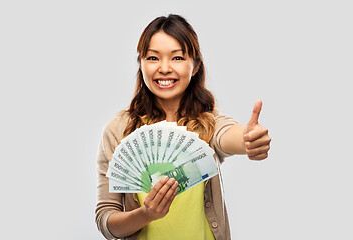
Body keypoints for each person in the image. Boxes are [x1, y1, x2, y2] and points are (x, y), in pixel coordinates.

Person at [95, 14, 271, 240]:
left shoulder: (207, 123)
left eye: (177, 58)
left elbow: (226, 136)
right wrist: (146, 214)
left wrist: (247, 140)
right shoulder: (118, 130)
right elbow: (107, 221)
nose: (165, 68)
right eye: (153, 58)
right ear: (140, 64)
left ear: (195, 66)